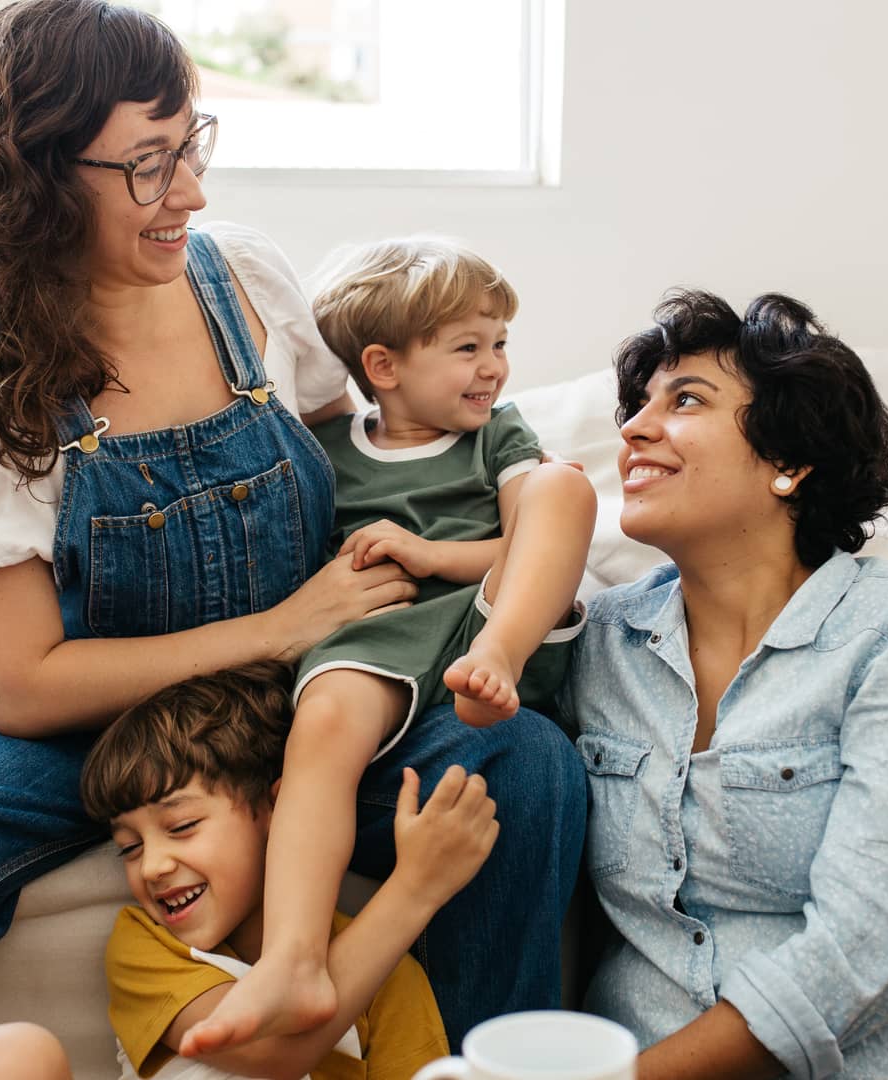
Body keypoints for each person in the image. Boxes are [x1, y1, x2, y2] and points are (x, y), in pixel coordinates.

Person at [0, 4, 587, 1076]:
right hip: (102, 722)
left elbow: (353, 477)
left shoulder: (248, 286)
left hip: (316, 690)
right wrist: (268, 628)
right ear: (33, 181)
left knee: (522, 764)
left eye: (191, 147)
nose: (191, 193)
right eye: (146, 166)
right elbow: (20, 687)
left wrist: (446, 572)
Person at [561, 290, 888, 1079]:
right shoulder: (600, 641)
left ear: (790, 461)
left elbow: (863, 950)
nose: (635, 429)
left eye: (686, 401)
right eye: (638, 406)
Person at [188, 238, 596, 1053]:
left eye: (501, 344)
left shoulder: (498, 439)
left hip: (488, 620)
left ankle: (502, 663)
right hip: (383, 632)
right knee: (326, 724)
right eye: (468, 348)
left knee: (563, 483)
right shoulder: (330, 454)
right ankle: (295, 959)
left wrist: (436, 556)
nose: (494, 369)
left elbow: (531, 540)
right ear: (382, 365)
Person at [0, 661, 493, 1080]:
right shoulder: (149, 946)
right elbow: (270, 1050)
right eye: (129, 848)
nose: (154, 866)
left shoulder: (385, 972)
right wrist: (415, 889)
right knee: (8, 1055)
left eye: (181, 827)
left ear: (278, 811)